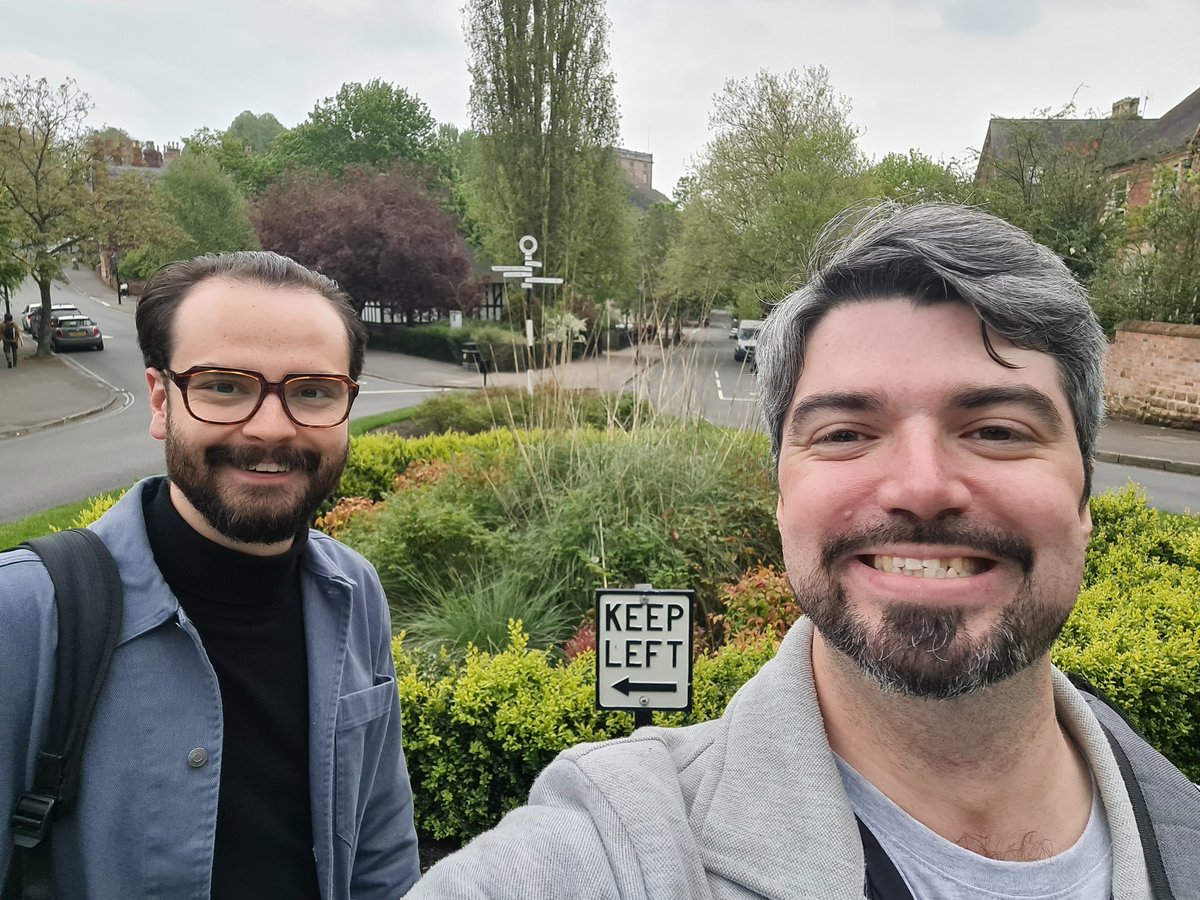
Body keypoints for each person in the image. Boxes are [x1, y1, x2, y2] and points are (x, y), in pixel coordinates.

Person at [407, 203, 1200, 899]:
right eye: (846, 434)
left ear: (1084, 495)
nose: (921, 487)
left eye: (995, 430)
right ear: (782, 496)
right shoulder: (611, 852)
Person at [0, 252, 420, 898]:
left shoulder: (355, 593)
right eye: (225, 386)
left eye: (312, 391)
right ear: (162, 401)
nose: (273, 428)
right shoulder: (26, 615)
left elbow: (379, 850)